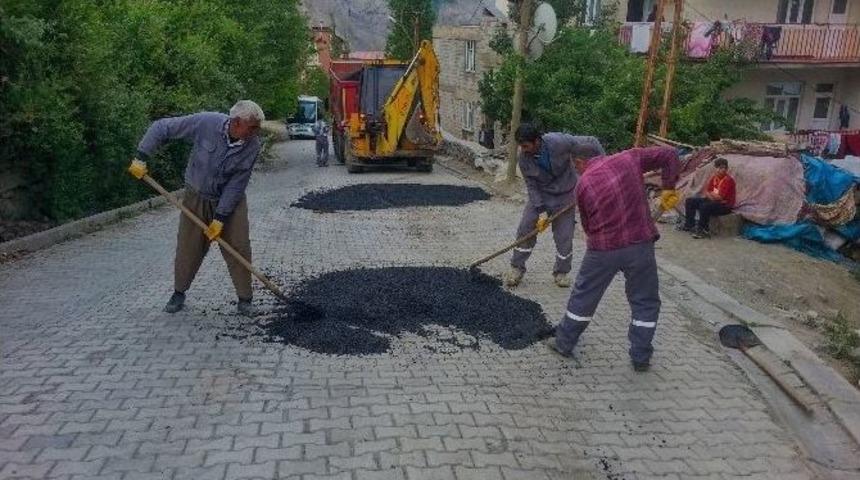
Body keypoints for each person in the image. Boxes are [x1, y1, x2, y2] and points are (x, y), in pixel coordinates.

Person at [546, 145, 680, 372]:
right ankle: (640, 356)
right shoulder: (629, 158)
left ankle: (564, 342)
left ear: (579, 162)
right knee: (645, 301)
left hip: (603, 250)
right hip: (640, 245)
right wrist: (668, 188)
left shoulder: (583, 185)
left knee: (584, 296)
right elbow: (670, 154)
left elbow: (588, 226)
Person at [128, 100, 264, 316]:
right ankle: (178, 293)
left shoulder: (253, 145)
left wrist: (220, 217)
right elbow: (162, 127)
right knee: (188, 247)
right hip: (196, 197)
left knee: (239, 246)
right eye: (253, 127)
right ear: (237, 122)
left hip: (230, 201)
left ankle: (245, 299)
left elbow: (238, 183)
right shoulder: (206, 123)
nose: (256, 132)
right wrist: (141, 156)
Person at [506, 123, 605, 288]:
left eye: (525, 146)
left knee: (564, 236)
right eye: (521, 146)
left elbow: (591, 141)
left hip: (566, 194)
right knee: (525, 229)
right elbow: (531, 186)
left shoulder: (559, 141)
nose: (523, 149)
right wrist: (541, 210)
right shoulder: (524, 159)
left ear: (537, 141)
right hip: (541, 196)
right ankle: (517, 268)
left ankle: (561, 272)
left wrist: (605, 164)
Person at [680, 157, 736, 239]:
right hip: (713, 201)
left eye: (725, 168)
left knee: (705, 206)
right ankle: (689, 225)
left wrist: (711, 195)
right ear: (715, 168)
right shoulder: (714, 178)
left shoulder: (728, 180)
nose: (723, 170)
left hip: (725, 206)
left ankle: (703, 230)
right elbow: (706, 191)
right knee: (690, 201)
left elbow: (720, 197)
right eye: (720, 168)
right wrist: (712, 195)